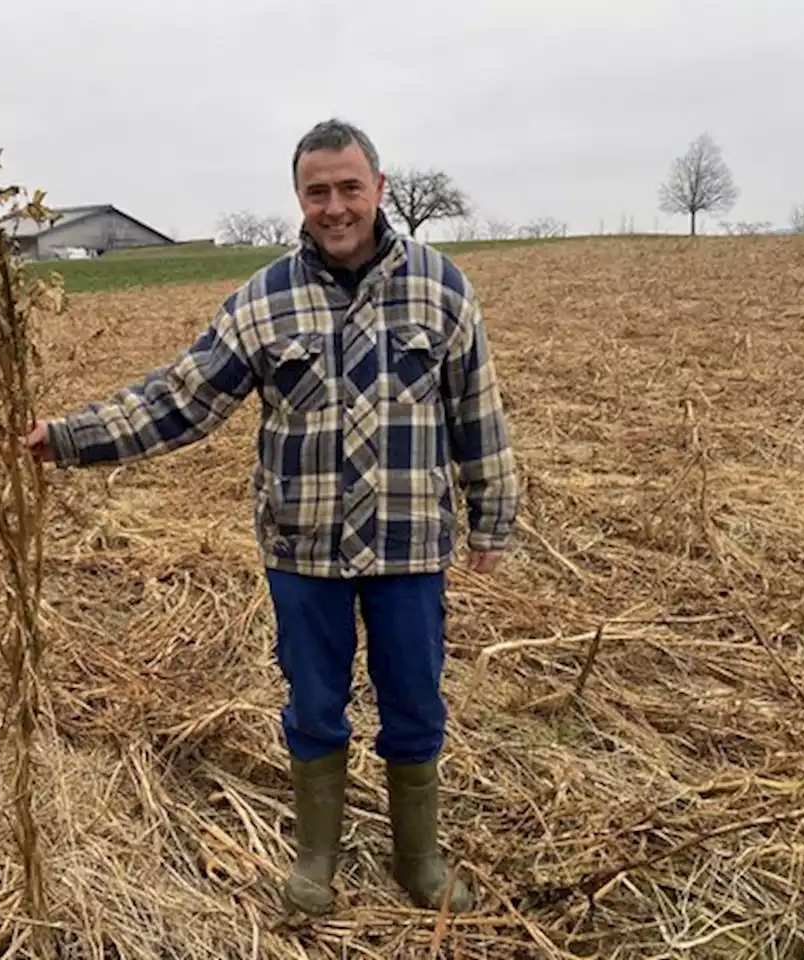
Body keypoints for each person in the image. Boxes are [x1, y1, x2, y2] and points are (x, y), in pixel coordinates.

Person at [26, 118, 520, 915]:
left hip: (408, 546)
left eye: (350, 187)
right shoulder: (264, 300)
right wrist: (72, 437)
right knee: (314, 706)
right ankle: (316, 861)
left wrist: (493, 517)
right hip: (303, 547)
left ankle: (418, 862)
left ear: (380, 190)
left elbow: (478, 412)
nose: (335, 206)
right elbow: (177, 399)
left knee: (416, 704)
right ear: (299, 197)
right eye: (318, 191)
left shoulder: (441, 288)